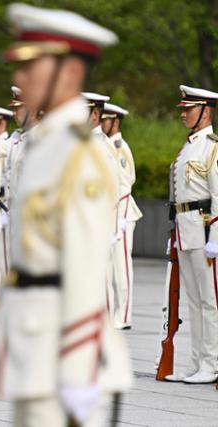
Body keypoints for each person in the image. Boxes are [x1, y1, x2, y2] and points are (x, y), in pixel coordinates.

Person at [0, 3, 132, 426]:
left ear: (69, 74)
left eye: (31, 68)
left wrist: (79, 365)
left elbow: (84, 265)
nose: (19, 78)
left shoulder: (79, 154)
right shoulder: (46, 144)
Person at [164, 85, 218, 384]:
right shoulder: (188, 147)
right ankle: (197, 362)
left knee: (208, 300)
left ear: (205, 111)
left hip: (204, 228)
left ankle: (211, 363)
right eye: (183, 109)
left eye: (189, 109)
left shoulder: (212, 147)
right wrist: (173, 232)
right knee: (194, 301)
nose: (183, 113)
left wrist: (216, 237)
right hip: (185, 229)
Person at [101, 103, 142, 329]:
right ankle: (111, 313)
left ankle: (123, 315)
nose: (102, 123)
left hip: (123, 213)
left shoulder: (119, 147)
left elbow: (126, 184)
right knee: (109, 266)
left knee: (121, 266)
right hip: (112, 213)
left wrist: (121, 219)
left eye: (106, 120)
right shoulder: (107, 145)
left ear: (115, 121)